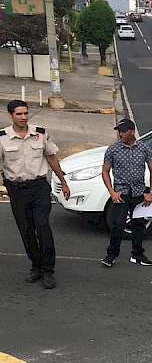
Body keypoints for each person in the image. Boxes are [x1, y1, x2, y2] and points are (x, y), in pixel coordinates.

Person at [0, 100, 70, 289]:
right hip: (17, 190)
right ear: (11, 115)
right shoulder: (2, 138)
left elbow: (52, 158)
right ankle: (36, 266)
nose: (23, 117)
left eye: (25, 113)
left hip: (39, 188)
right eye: (19, 114)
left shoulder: (40, 133)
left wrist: (63, 182)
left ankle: (48, 270)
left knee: (42, 226)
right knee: (27, 230)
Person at [100, 118, 152, 268]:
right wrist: (112, 192)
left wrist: (151, 192)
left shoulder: (144, 149)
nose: (120, 134)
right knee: (118, 225)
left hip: (139, 193)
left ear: (132, 131)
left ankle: (137, 254)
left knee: (139, 225)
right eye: (119, 131)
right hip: (121, 194)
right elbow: (105, 171)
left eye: (123, 131)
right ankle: (111, 255)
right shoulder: (113, 149)